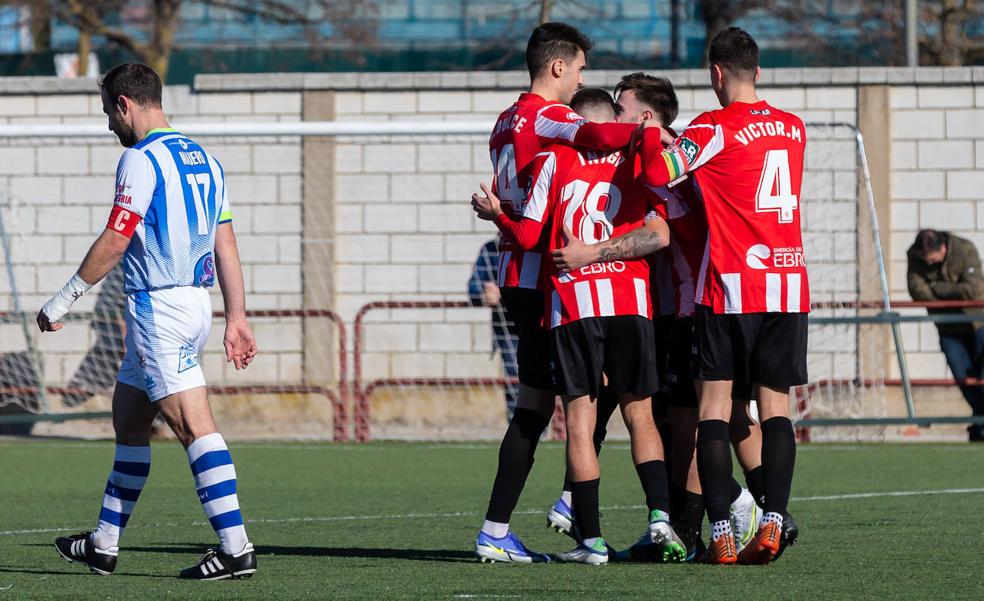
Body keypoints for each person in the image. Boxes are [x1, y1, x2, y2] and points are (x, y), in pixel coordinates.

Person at [37, 63, 258, 580]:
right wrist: (237, 316)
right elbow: (225, 242)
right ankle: (103, 544)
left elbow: (116, 239)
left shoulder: (139, 159)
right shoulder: (206, 157)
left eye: (108, 115)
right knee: (129, 419)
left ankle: (235, 547)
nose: (110, 127)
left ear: (124, 104)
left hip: (159, 307)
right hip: (191, 305)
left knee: (191, 424)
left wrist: (63, 298)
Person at [476, 87, 682, 565]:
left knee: (579, 424)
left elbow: (529, 235)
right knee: (641, 416)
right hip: (631, 301)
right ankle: (659, 519)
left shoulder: (552, 156)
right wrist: (653, 134)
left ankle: (589, 540)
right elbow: (660, 228)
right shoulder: (636, 156)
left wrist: (499, 215)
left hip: (572, 302)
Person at [640, 27, 809, 565]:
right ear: (757, 71)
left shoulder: (712, 127)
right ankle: (775, 520)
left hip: (731, 285)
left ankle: (722, 532)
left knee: (715, 407)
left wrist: (649, 133)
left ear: (716, 74)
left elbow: (657, 170)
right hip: (788, 282)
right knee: (775, 407)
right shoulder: (793, 127)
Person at [472, 21, 639, 564]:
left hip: (521, 269)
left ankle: (568, 517)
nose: (582, 81)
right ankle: (518, 528)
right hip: (542, 276)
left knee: (556, 402)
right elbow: (596, 135)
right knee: (556, 405)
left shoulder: (504, 120)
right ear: (558, 66)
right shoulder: (545, 114)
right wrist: (645, 132)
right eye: (582, 69)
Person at [907, 228, 984, 442]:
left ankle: (980, 425)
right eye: (926, 261)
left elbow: (973, 290)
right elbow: (916, 290)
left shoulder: (965, 249)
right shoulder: (914, 256)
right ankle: (980, 424)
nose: (929, 264)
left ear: (943, 248)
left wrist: (936, 287)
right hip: (948, 329)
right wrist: (950, 292)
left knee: (981, 376)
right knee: (963, 378)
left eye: (933, 259)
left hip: (977, 324)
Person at [467, 236, 520, 419]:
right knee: (515, 376)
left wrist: (504, 292)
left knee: (546, 376)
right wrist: (485, 290)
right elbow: (473, 287)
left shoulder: (535, 242)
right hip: (507, 328)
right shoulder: (491, 249)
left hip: (540, 321)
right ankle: (518, 428)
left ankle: (554, 427)